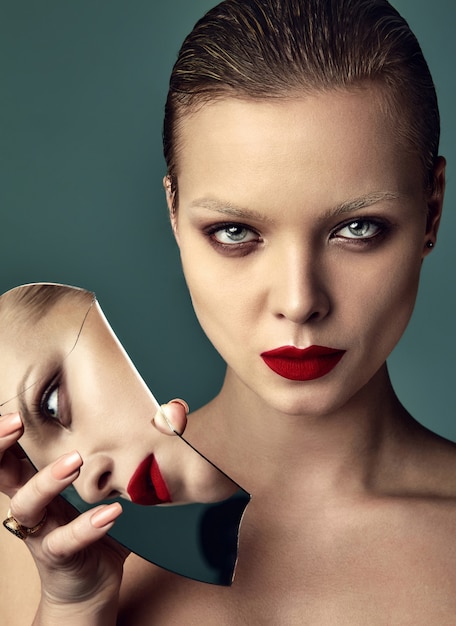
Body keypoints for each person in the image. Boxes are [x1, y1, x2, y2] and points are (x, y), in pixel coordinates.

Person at [1, 0, 455, 623]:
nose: (299, 301)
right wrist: (71, 608)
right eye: (236, 232)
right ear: (174, 216)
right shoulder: (35, 535)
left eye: (356, 227)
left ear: (431, 211)